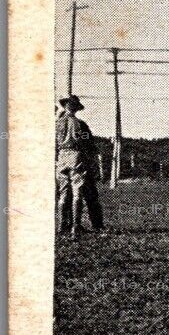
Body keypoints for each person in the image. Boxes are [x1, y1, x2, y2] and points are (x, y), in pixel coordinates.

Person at [55, 95, 98, 240]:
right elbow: (89, 144)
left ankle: (61, 226)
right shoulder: (81, 125)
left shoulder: (57, 124)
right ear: (76, 108)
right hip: (76, 156)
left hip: (61, 157)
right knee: (77, 191)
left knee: (63, 193)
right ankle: (75, 226)